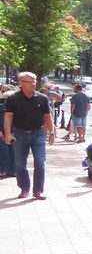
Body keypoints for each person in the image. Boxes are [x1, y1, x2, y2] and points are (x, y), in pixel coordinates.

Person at [3, 71, 56, 200]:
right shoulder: (13, 98)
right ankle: (24, 189)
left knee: (40, 162)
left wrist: (52, 132)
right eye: (30, 82)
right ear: (22, 83)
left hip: (38, 134)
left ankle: (38, 191)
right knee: (20, 165)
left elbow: (47, 116)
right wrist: (8, 134)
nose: (33, 84)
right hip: (20, 134)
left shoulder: (42, 98)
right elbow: (8, 117)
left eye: (35, 81)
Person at [0, 86, 16, 178]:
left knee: (14, 152)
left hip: (15, 133)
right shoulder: (1, 108)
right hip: (2, 133)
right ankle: (3, 170)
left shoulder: (18, 108)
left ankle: (13, 170)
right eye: (5, 99)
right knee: (3, 151)